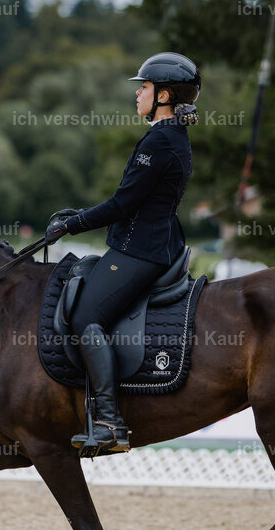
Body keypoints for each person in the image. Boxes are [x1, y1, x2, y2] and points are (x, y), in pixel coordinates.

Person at [45, 52, 200, 452]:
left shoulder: (160, 141)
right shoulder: (171, 136)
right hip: (151, 241)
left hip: (141, 249)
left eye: (144, 88)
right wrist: (78, 216)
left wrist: (70, 225)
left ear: (163, 95)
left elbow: (122, 205)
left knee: (85, 318)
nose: (138, 95)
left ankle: (111, 423)